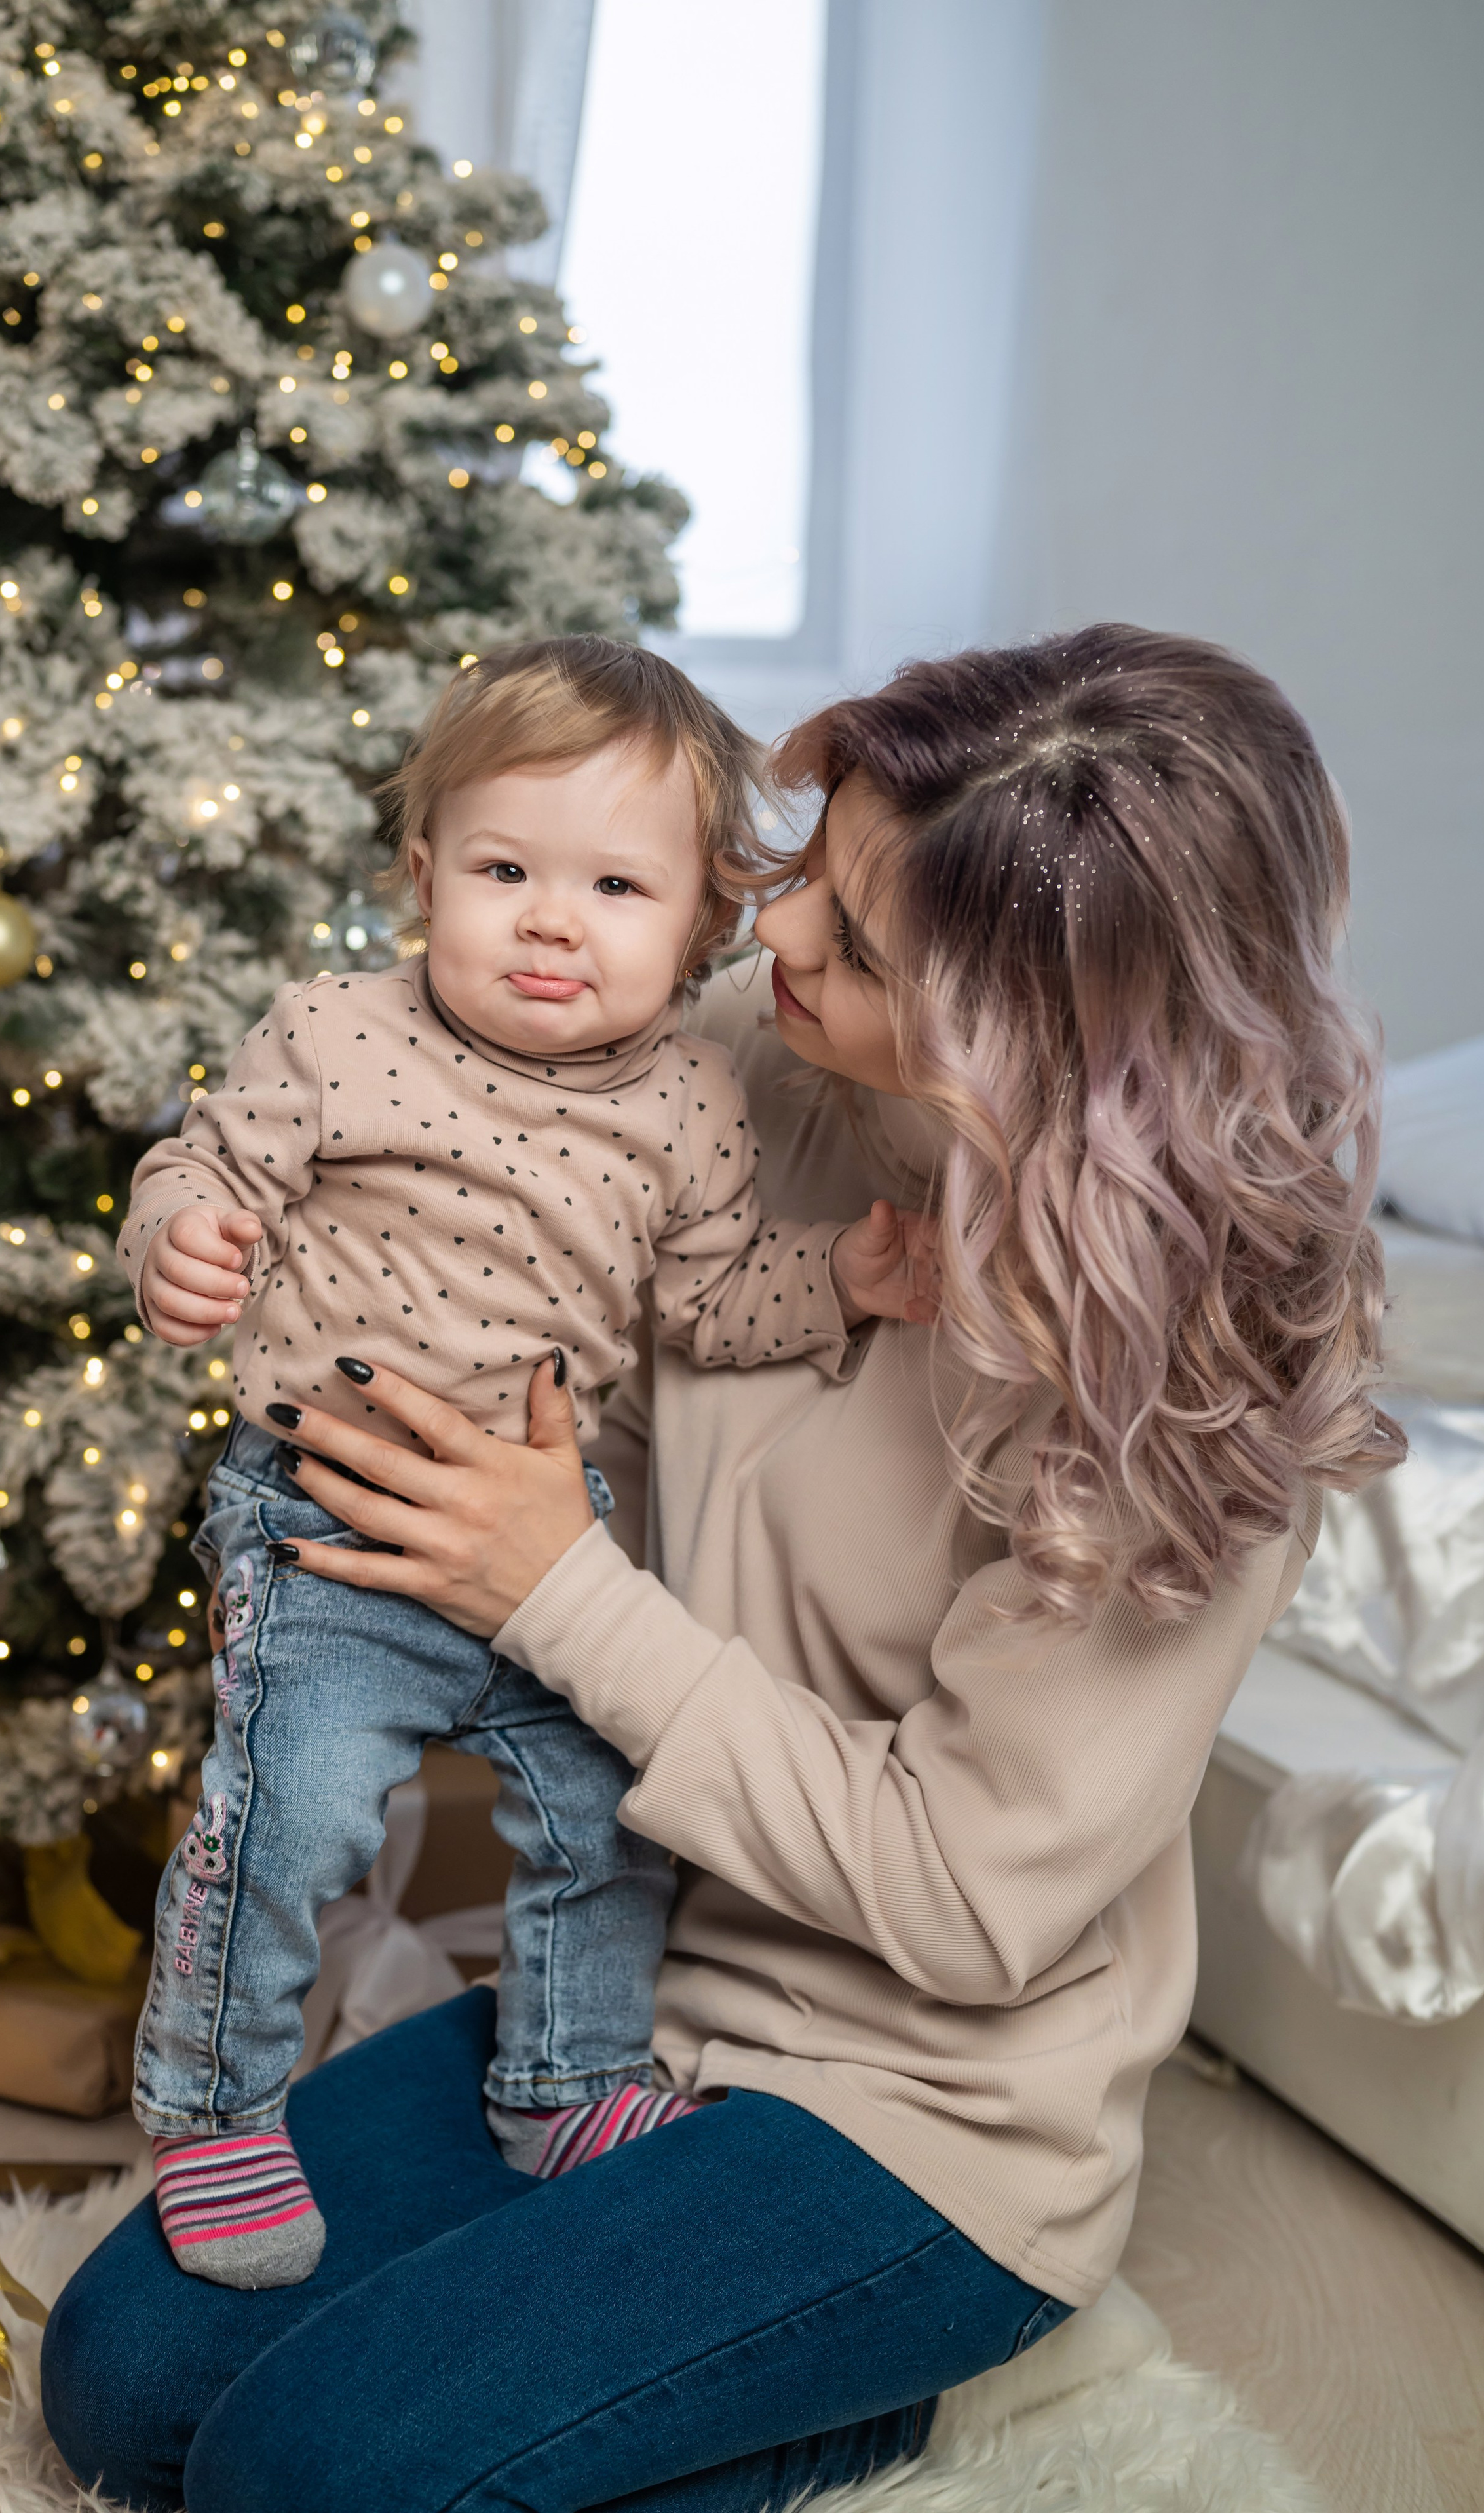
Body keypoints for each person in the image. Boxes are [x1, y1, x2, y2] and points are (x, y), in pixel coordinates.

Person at [43, 624, 1395, 2513]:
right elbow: (359, 1120)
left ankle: (884, 2392)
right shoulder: (723, 1073)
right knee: (121, 2382)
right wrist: (205, 1239)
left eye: (856, 941)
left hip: (926, 2115)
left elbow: (968, 1895)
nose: (775, 952)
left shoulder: (1187, 1383)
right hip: (628, 1990)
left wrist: (555, 1589)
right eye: (800, 879)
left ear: (1038, 1026)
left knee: (305, 2472)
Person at [115, 638, 931, 2286]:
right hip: (332, 1527)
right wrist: (179, 1244)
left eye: (617, 886)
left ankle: (562, 2083)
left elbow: (706, 1299)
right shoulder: (336, 1035)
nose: (552, 920)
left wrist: (833, 1280)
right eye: (503, 870)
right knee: (297, 1811)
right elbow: (200, 1167)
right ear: (421, 878)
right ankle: (210, 2104)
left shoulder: (693, 1108)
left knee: (611, 1810)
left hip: (554, 1545)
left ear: (702, 923)